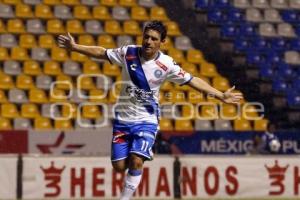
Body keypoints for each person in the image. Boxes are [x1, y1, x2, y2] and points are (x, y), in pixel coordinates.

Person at [58, 20, 243, 200]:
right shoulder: (128, 52)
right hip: (123, 120)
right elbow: (102, 53)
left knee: (136, 161)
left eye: (154, 39)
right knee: (119, 166)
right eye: (146, 37)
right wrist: (75, 47)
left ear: (162, 42)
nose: (148, 41)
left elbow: (192, 80)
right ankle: (141, 152)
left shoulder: (167, 64)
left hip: (147, 120)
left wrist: (220, 95)